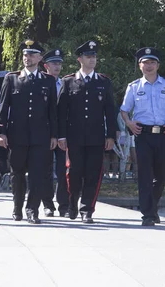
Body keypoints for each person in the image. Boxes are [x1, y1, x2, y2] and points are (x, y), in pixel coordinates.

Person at [0, 40, 58, 224]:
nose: (27, 58)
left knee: (37, 174)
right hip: (17, 135)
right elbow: (3, 107)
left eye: (31, 54)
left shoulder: (48, 80)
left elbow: (52, 111)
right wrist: (1, 132)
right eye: (25, 54)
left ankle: (32, 209)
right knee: (17, 173)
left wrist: (54, 135)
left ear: (39, 58)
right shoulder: (12, 78)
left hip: (41, 136)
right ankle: (17, 208)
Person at [120, 47, 165, 226]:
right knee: (145, 175)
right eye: (145, 62)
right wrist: (130, 124)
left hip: (163, 135)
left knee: (162, 175)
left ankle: (152, 207)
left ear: (158, 65)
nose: (149, 66)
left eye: (152, 62)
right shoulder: (134, 87)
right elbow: (124, 110)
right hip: (143, 135)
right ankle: (148, 214)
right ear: (140, 66)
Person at [57, 41, 117, 223]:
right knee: (74, 173)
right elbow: (61, 112)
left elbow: (110, 111)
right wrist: (61, 135)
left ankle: (87, 209)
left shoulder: (103, 82)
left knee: (93, 173)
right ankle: (72, 202)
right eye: (88, 57)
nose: (92, 60)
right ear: (79, 59)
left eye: (94, 56)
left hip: (96, 137)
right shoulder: (68, 81)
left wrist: (111, 136)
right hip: (74, 137)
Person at [40, 48, 69, 217]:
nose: (57, 66)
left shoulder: (66, 83)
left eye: (59, 63)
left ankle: (64, 205)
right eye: (53, 63)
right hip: (45, 133)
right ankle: (48, 204)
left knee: (63, 171)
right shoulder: (42, 82)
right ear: (46, 66)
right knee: (45, 170)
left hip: (63, 133)